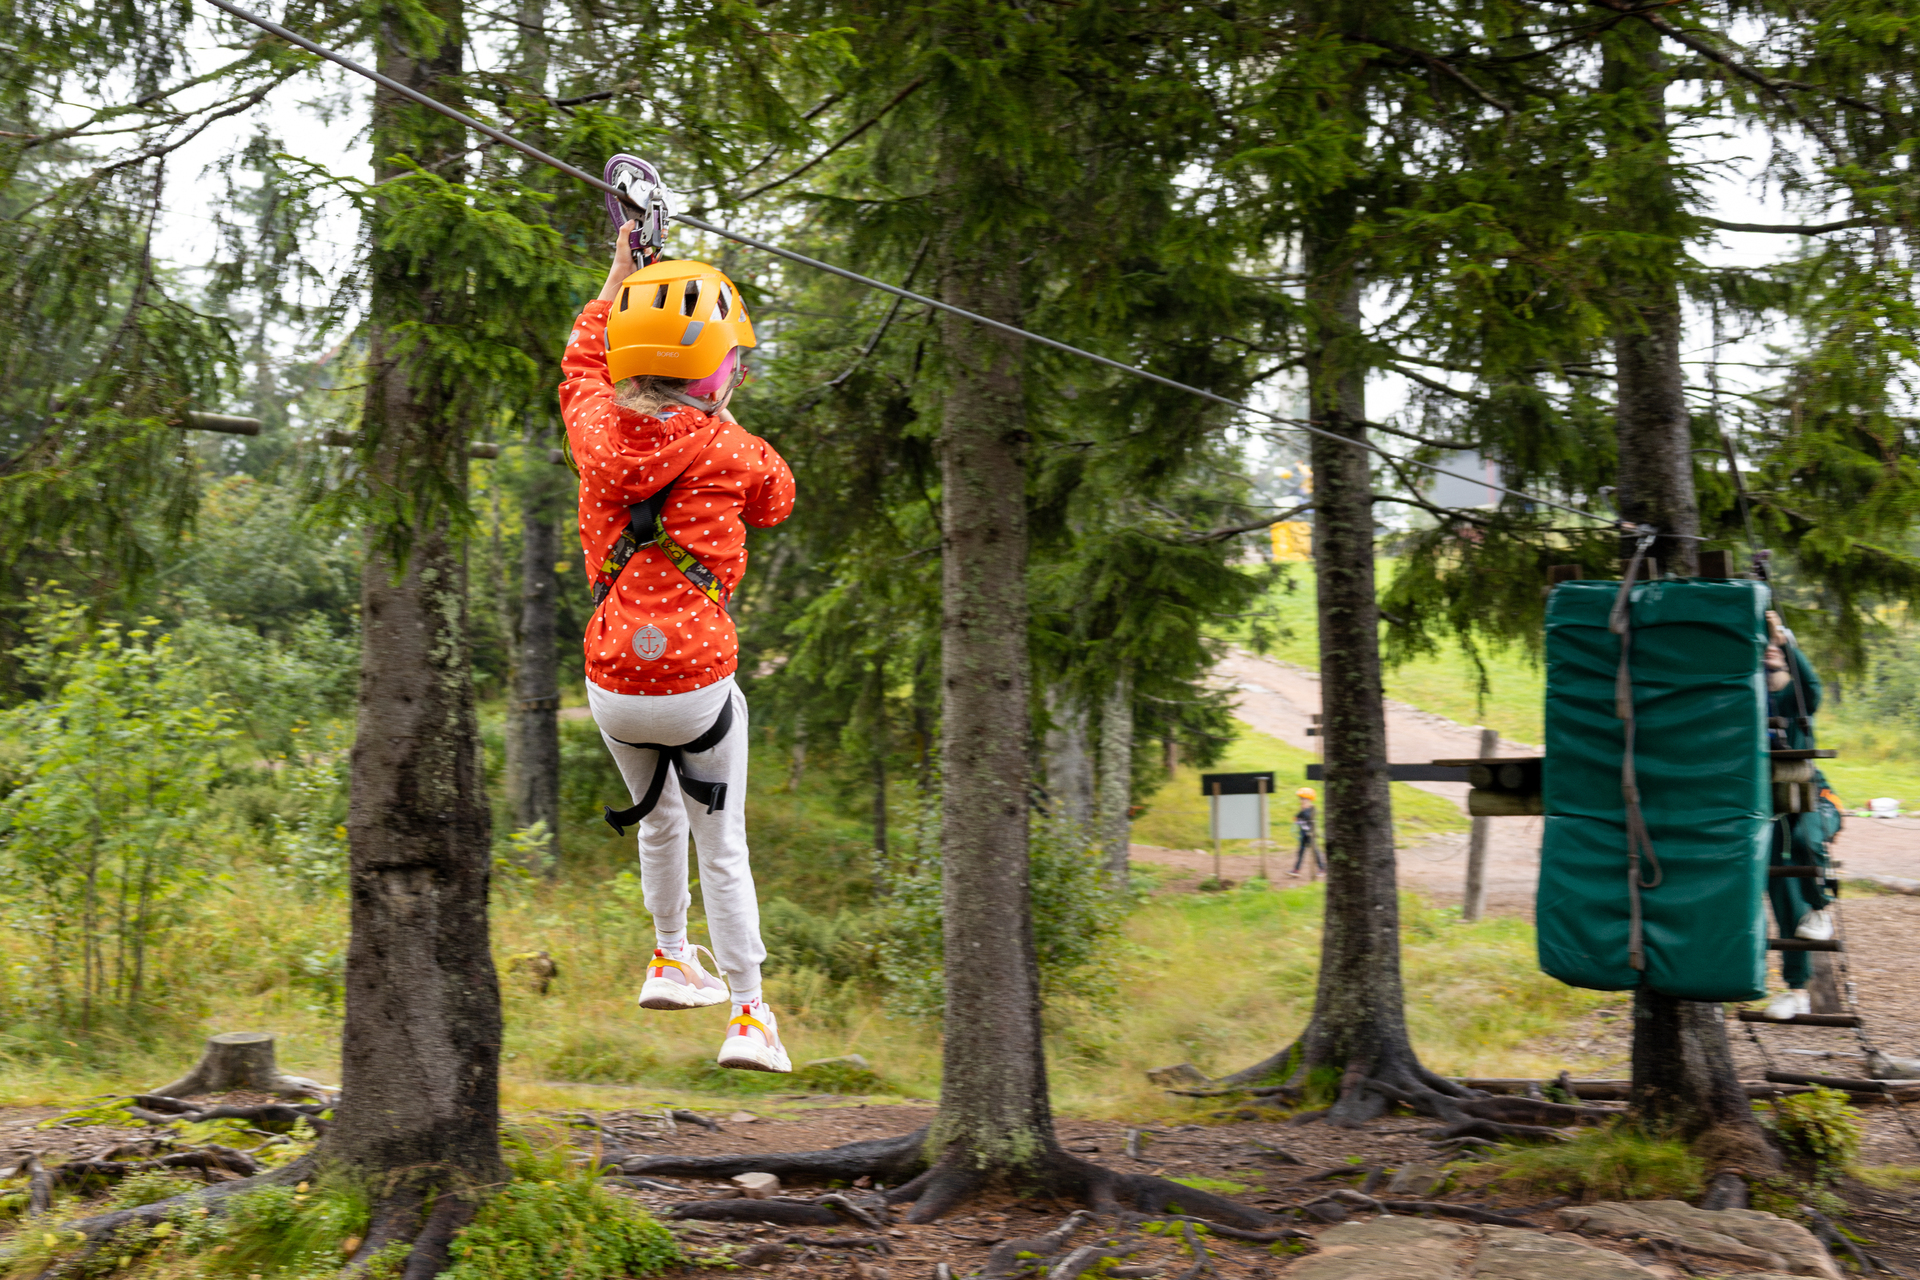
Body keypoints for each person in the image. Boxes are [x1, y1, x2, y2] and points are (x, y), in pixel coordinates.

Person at [557, 221, 797, 1071]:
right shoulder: (734, 448)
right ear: (718, 368)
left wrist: (617, 284)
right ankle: (749, 1015)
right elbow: (777, 501)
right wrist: (727, 420)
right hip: (696, 685)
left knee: (659, 820)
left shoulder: (592, 433)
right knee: (720, 841)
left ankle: (668, 955)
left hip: (613, 683)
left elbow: (583, 366)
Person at [1760, 609, 1844, 1021]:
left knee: (1811, 841)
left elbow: (1811, 687)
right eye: (1766, 648)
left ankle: (1821, 906)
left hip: (1814, 797)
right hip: (1776, 811)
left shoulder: (1793, 699)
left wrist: (1785, 637)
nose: (1770, 653)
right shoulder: (1751, 702)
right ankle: (1797, 990)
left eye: (1776, 649)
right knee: (1783, 897)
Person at [1289, 787, 1323, 876]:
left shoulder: (1312, 810)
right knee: (1301, 852)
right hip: (1303, 834)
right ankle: (1296, 870)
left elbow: (1308, 818)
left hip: (1310, 835)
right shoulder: (1303, 810)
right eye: (1301, 799)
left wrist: (1302, 813)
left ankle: (1322, 869)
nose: (1301, 801)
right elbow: (1296, 818)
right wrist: (1298, 817)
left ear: (1309, 800)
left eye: (1303, 799)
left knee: (1315, 851)